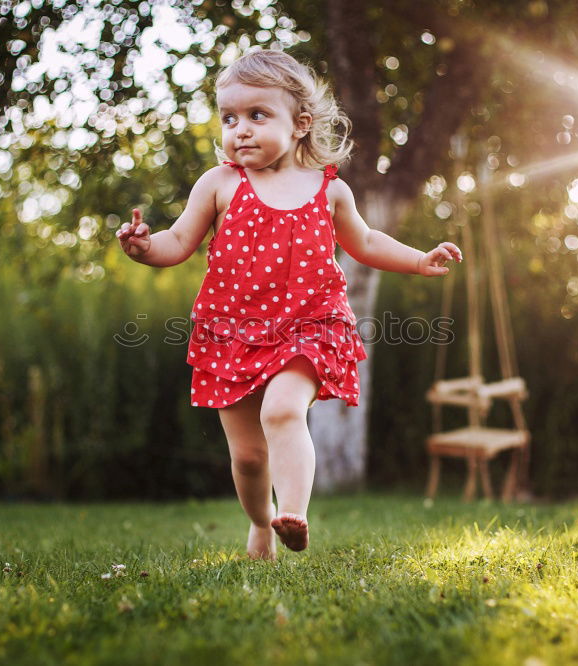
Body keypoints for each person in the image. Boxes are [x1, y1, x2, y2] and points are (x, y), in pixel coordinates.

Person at [117, 49, 461, 561]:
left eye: (258, 115)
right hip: (230, 331)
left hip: (310, 325)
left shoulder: (329, 190)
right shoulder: (220, 184)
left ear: (300, 124)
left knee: (282, 411)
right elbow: (177, 242)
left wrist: (418, 259)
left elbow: (364, 241)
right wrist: (145, 247)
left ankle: (293, 513)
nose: (241, 130)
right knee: (249, 456)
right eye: (230, 118)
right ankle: (260, 524)